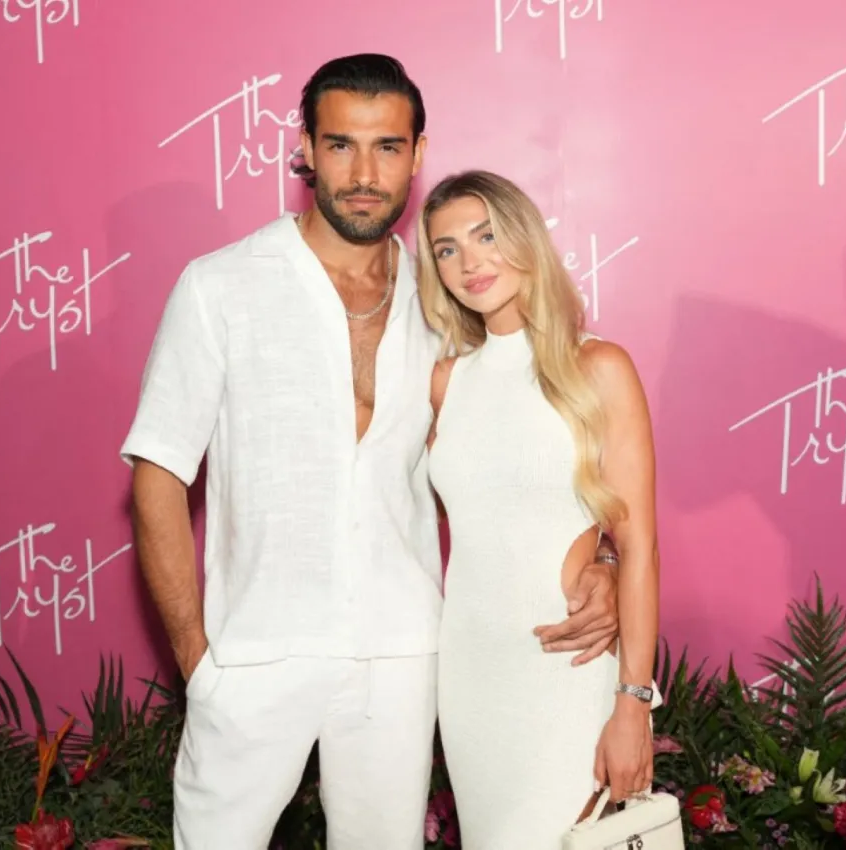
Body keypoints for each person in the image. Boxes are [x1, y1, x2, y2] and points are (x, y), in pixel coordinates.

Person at [118, 54, 625, 850]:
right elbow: (157, 476)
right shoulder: (220, 287)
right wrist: (198, 663)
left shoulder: (449, 301)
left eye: (387, 146)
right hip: (255, 652)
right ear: (307, 149)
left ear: (418, 155)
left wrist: (604, 561)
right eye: (341, 144)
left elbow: (540, 442)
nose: (363, 172)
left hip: (404, 653)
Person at [417, 169, 662, 847]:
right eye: (446, 249)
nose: (470, 262)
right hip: (469, 677)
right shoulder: (448, 381)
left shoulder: (600, 367)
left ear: (523, 237)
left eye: (486, 235)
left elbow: (638, 545)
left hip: (568, 673)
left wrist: (632, 705)